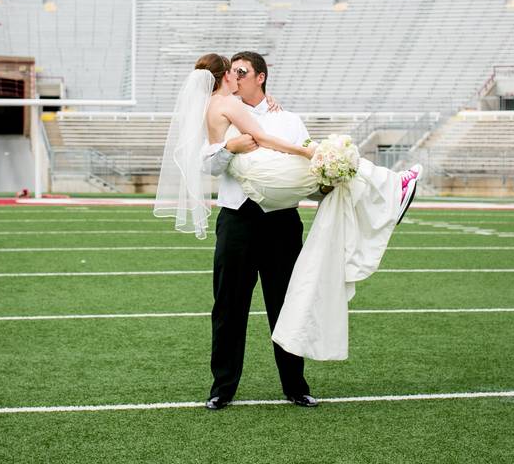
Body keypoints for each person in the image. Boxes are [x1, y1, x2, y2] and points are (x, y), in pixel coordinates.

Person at [154, 52, 421, 410]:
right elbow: (209, 166)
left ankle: (295, 385)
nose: (235, 76)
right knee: (229, 307)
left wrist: (327, 183)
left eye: (242, 71)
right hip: (236, 221)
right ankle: (223, 387)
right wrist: (229, 147)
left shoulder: (291, 120)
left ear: (260, 77)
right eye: (231, 71)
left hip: (281, 223)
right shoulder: (219, 110)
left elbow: (303, 174)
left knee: (287, 303)